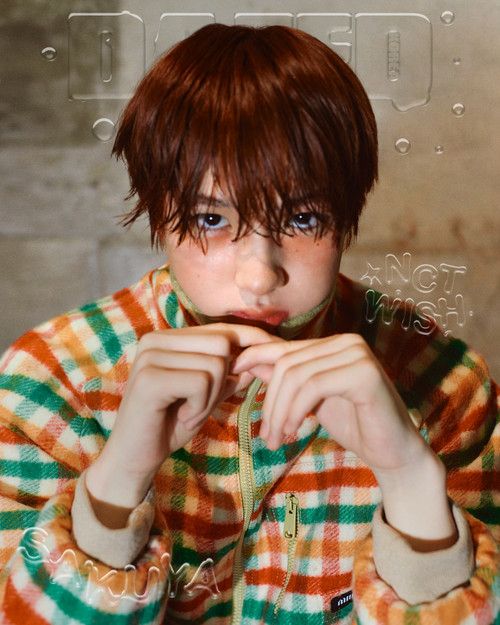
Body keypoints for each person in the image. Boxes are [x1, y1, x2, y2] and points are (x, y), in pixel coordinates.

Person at [0, 22, 498, 625]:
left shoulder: (447, 385)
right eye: (211, 220)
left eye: (303, 219)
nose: (260, 276)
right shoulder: (53, 381)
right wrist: (119, 480)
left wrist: (412, 481)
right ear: (157, 208)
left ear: (348, 213)